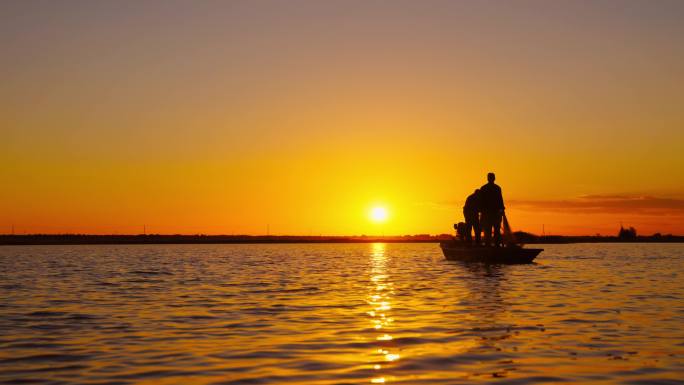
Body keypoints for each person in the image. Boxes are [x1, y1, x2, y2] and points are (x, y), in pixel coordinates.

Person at [479, 172, 504, 247]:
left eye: (492, 177)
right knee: (488, 231)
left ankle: (495, 245)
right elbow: (481, 201)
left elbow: (500, 200)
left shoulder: (496, 188)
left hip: (494, 214)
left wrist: (502, 209)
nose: (491, 179)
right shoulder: (485, 188)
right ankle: (490, 245)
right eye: (490, 177)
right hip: (488, 214)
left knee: (495, 230)